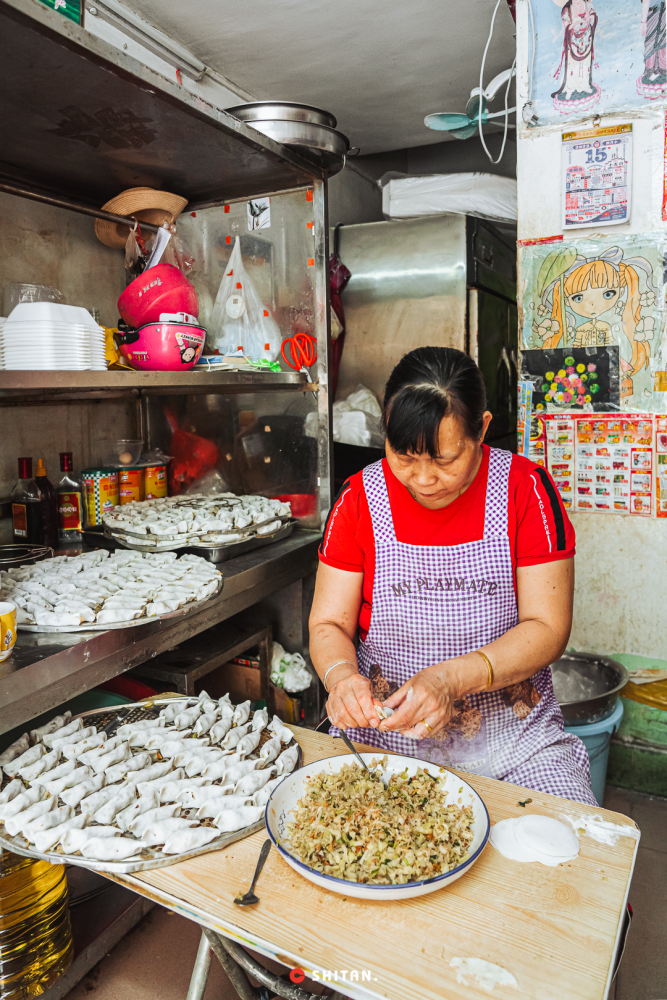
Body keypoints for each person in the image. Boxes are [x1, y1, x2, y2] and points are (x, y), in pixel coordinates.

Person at [309, 347, 596, 805]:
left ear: (481, 429)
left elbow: (548, 628)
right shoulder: (358, 500)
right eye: (403, 456)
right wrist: (342, 678)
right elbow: (329, 624)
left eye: (444, 459)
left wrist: (450, 680)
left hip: (515, 747)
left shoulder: (526, 491)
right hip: (383, 745)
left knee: (566, 855)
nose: (423, 479)